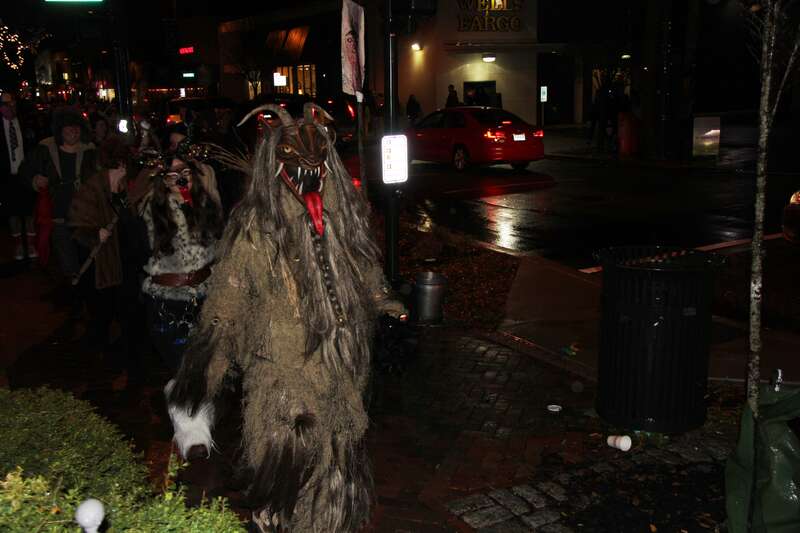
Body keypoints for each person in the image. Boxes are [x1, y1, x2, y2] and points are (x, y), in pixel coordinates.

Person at [166, 103, 406, 532]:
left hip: (340, 373)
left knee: (334, 472)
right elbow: (226, 305)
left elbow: (367, 271)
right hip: (282, 376)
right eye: (297, 167)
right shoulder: (256, 228)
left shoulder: (343, 218)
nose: (309, 176)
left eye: (317, 167)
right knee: (286, 476)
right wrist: (202, 371)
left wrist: (388, 309)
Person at [69, 137, 149, 384]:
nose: (123, 169)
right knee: (102, 314)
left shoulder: (125, 187)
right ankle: (97, 366)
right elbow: (77, 225)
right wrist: (94, 234)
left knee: (129, 312)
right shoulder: (93, 188)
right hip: (104, 266)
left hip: (127, 261)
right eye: (121, 165)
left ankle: (130, 362)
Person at [139, 144, 223, 373]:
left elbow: (218, 246)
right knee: (180, 366)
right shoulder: (154, 208)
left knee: (206, 365)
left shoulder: (206, 204)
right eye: (173, 175)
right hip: (168, 301)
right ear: (164, 180)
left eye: (185, 172)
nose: (181, 179)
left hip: (205, 297)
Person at [30, 108, 96, 317]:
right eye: (68, 128)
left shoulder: (90, 150)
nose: (72, 131)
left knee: (87, 261)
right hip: (59, 218)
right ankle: (75, 301)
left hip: (85, 218)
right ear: (60, 130)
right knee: (68, 263)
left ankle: (87, 299)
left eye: (76, 128)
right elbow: (26, 170)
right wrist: (35, 179)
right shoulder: (45, 149)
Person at [0, 92, 35, 261]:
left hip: (26, 176)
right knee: (13, 213)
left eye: (12, 104)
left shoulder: (26, 122)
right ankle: (19, 245)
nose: (10, 108)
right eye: (5, 105)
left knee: (29, 211)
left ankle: (31, 244)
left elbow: (34, 148)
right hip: (7, 177)